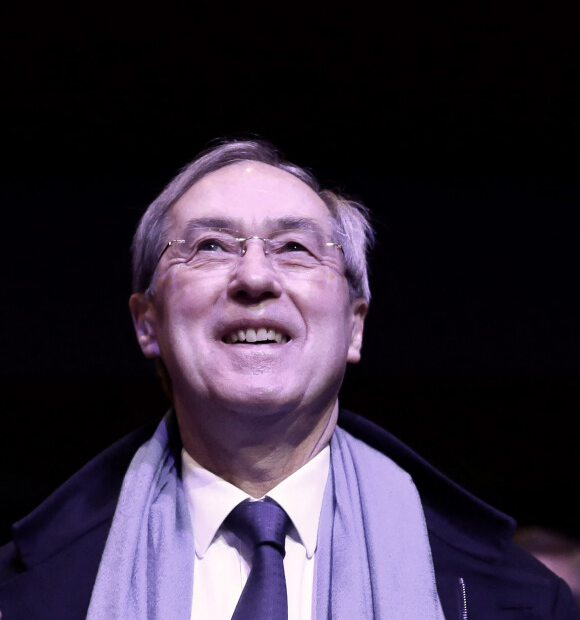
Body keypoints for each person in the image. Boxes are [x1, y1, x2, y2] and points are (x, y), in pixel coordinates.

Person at [0, 138, 578, 620]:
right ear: (147, 324)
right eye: (209, 247)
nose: (254, 276)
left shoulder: (518, 598)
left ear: (354, 327)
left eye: (296, 248)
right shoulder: (19, 594)